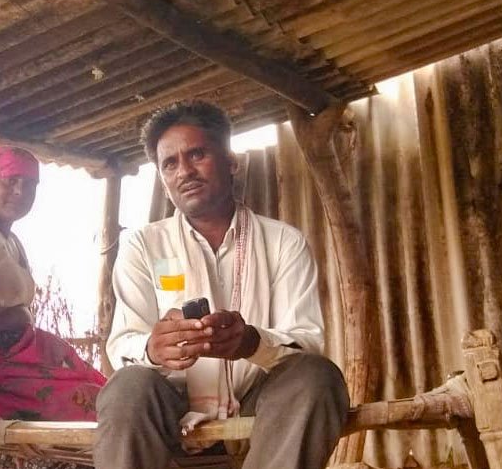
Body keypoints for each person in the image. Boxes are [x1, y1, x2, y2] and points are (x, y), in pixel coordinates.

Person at [94, 101, 350, 469]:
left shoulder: (284, 242)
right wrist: (153, 348)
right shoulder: (142, 246)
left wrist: (251, 342)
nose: (184, 171)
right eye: (170, 163)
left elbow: (306, 340)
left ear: (231, 162)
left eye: (197, 154)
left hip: (260, 405)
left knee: (316, 376)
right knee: (127, 389)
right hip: (169, 411)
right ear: (164, 183)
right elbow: (123, 344)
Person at [0, 146, 106, 422]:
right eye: (10, 181)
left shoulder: (10, 240)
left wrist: (23, 320)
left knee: (111, 394)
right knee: (94, 406)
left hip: (22, 355)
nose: (20, 192)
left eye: (30, 185)